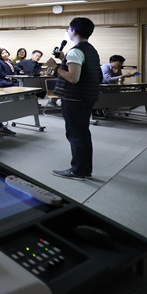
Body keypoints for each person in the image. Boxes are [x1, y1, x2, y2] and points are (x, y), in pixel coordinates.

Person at [46, 17, 101, 180]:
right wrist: (64, 59)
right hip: (86, 97)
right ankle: (84, 169)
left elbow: (73, 78)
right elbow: (80, 70)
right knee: (82, 133)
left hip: (75, 99)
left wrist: (55, 67)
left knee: (75, 134)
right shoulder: (89, 49)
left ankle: (78, 170)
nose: (68, 32)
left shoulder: (76, 51)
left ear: (74, 31)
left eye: (69, 29)